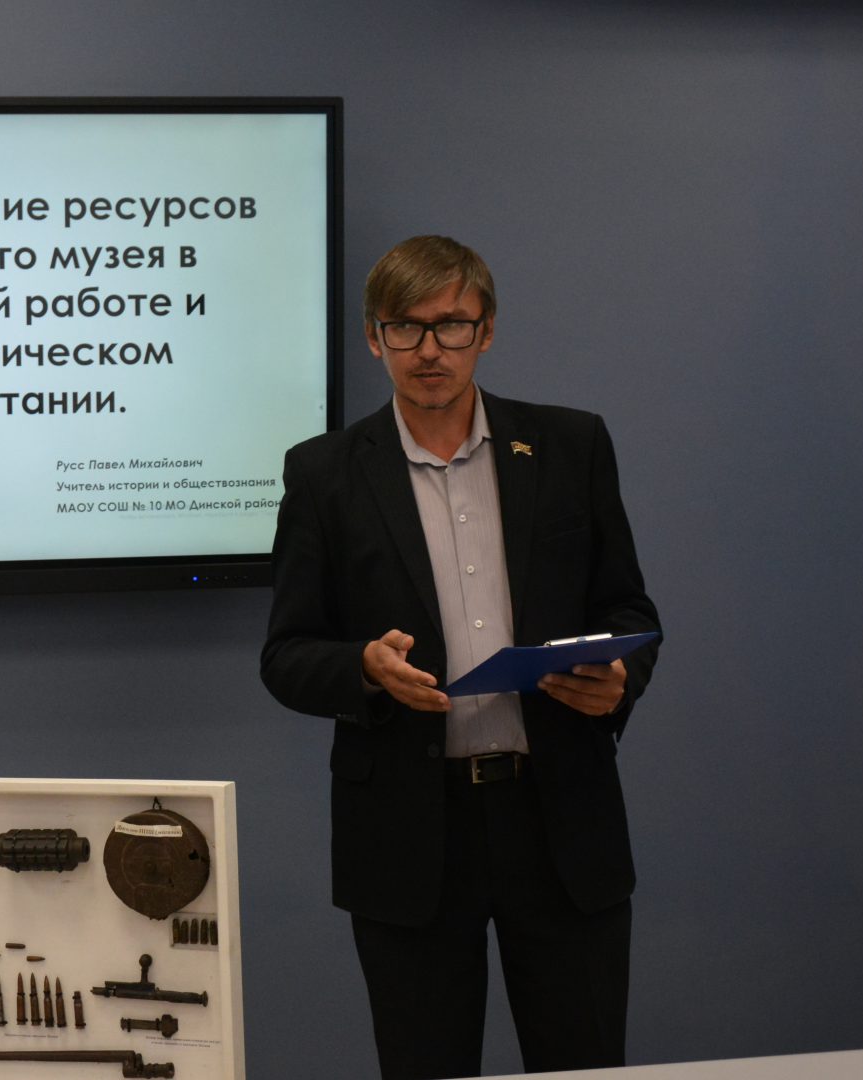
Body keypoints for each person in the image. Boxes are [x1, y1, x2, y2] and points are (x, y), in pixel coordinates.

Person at [261, 235, 663, 1079]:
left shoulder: (571, 446)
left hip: (559, 817)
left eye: (451, 325)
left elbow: (629, 609)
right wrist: (363, 669)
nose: (429, 350)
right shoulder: (324, 474)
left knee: (586, 1062)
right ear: (374, 338)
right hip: (410, 833)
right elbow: (287, 654)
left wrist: (619, 682)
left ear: (487, 331)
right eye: (404, 328)